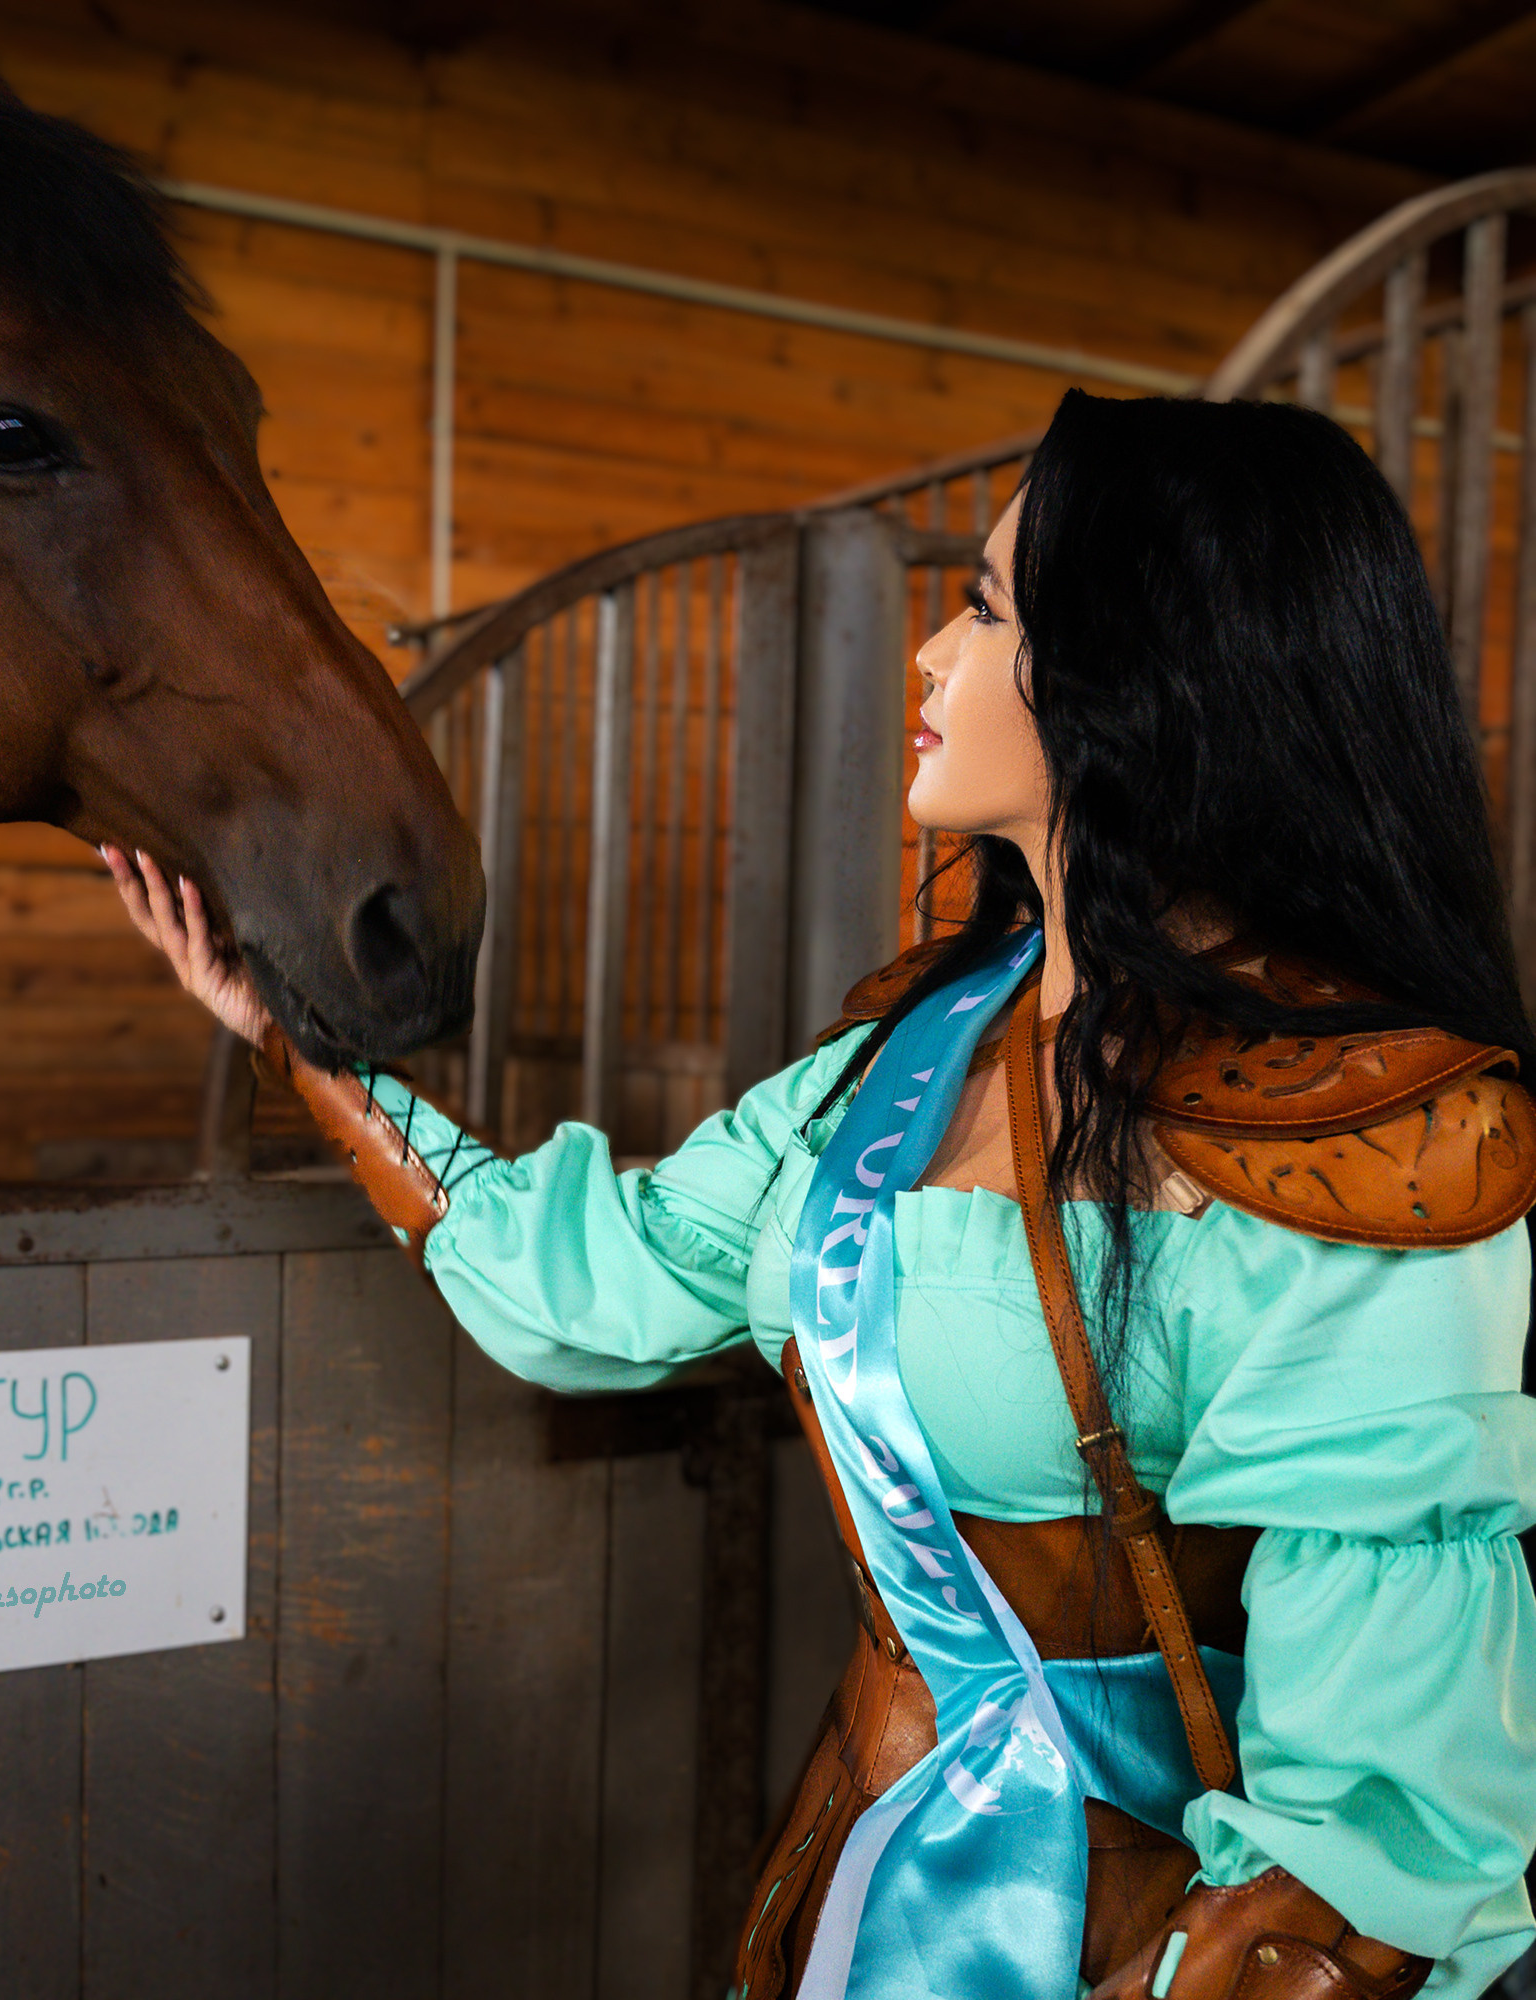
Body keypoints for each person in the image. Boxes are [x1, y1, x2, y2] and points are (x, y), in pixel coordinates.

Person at [107, 389, 1536, 1999]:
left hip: (1118, 1948)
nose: (931, 657)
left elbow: (1373, 1848)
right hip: (856, 1882)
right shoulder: (906, 1055)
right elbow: (598, 1282)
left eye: (986, 610)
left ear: (1152, 674)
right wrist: (305, 1049)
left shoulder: (1371, 1146)